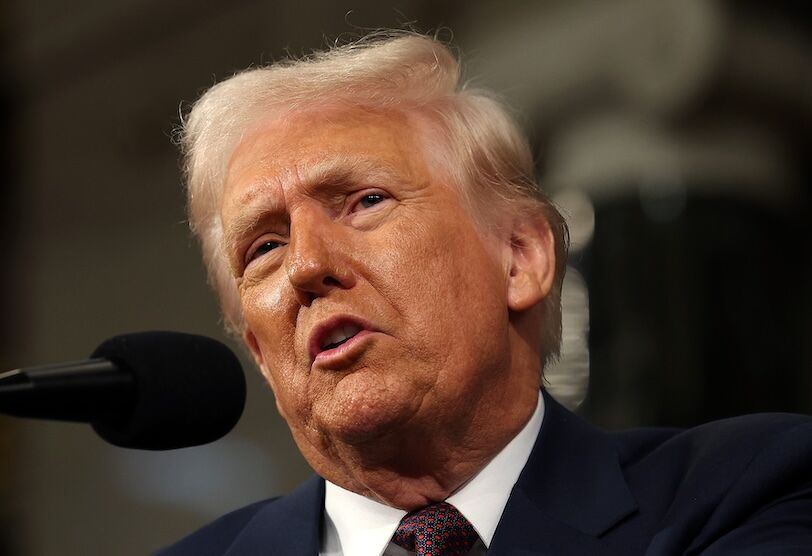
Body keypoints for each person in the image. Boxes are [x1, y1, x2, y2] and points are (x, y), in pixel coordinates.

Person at [159, 33, 812, 555]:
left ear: (521, 258)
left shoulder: (747, 489)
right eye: (264, 247)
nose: (306, 265)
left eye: (365, 201)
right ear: (261, 354)